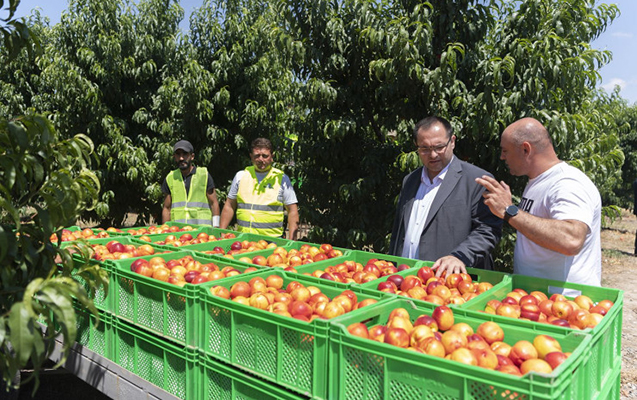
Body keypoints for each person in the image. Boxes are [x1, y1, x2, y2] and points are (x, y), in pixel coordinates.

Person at [476, 117, 602, 290]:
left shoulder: (567, 183)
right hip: (540, 299)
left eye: (505, 151)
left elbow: (571, 240)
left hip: (566, 301)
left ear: (526, 149)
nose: (502, 157)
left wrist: (509, 210)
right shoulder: (538, 181)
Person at [389, 116, 502, 277]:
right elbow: (399, 231)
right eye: (424, 148)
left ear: (452, 141)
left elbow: (488, 229)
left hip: (450, 281)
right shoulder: (410, 180)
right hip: (407, 278)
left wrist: (460, 256)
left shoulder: (477, 180)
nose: (433, 154)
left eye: (439, 147)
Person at [220, 138, 299, 240]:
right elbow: (229, 206)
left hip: (272, 241)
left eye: (265, 156)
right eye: (257, 156)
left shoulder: (281, 178)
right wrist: (222, 233)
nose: (261, 159)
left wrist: (293, 241)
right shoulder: (241, 176)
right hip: (244, 239)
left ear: (272, 157)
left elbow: (292, 210)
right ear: (251, 156)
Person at [161, 140, 221, 226]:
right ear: (174, 157)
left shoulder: (203, 175)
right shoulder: (170, 177)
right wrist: (165, 230)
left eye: (185, 154)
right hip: (179, 231)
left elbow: (214, 203)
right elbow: (167, 208)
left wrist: (216, 227)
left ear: (192, 156)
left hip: (202, 231)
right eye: (178, 154)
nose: (181, 158)